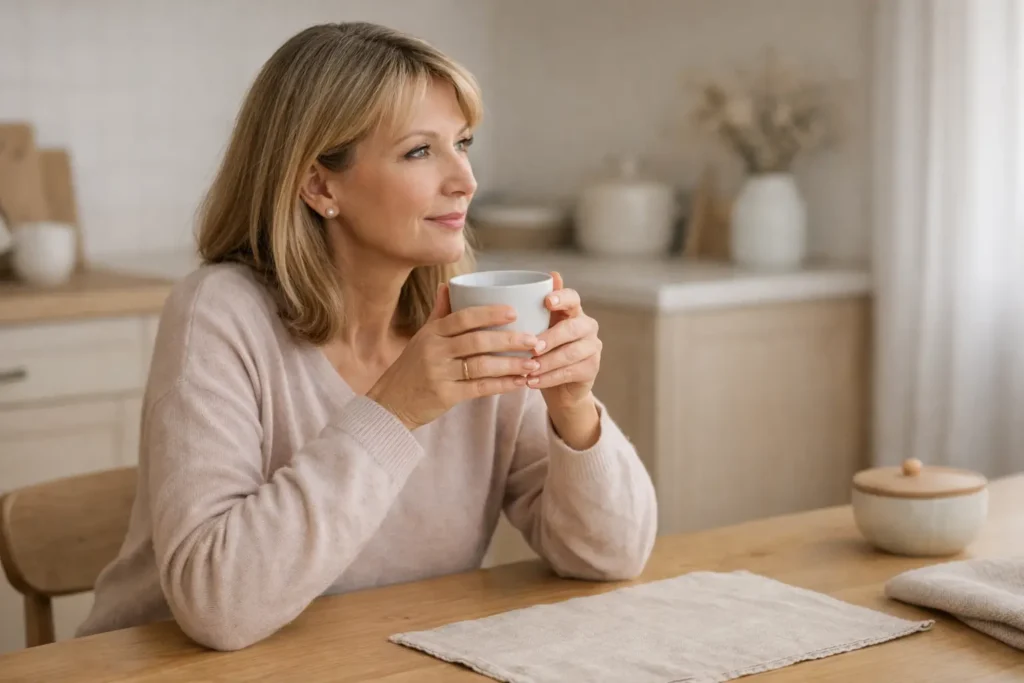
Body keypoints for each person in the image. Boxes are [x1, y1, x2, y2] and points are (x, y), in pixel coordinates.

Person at [77, 21, 657, 651]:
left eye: (462, 143)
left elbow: (612, 556)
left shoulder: (471, 319)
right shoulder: (219, 313)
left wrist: (575, 411)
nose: (465, 179)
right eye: (419, 151)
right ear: (320, 185)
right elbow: (218, 606)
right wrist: (396, 410)